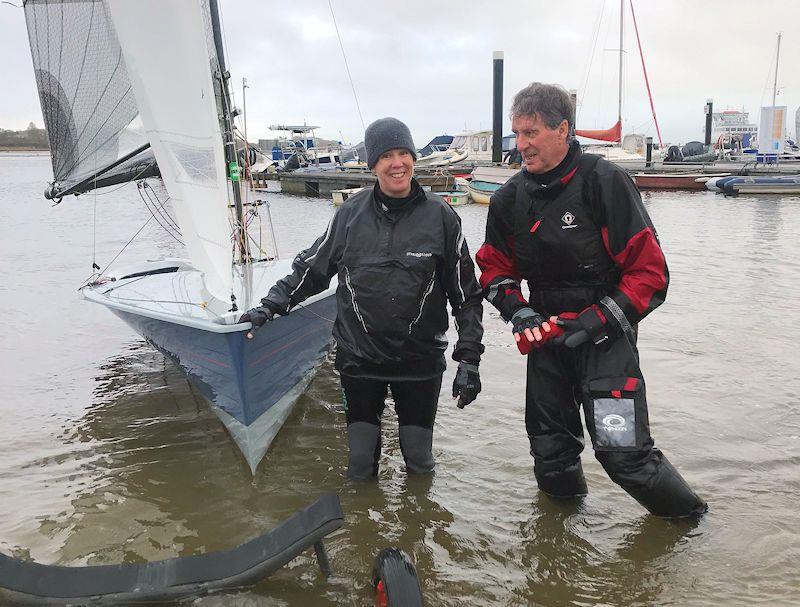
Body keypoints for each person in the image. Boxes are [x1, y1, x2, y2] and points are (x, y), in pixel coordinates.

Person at [476, 83, 706, 518]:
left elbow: (651, 274)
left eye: (531, 133)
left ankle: (694, 527)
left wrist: (595, 321)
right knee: (550, 456)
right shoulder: (508, 200)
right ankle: (560, 554)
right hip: (545, 341)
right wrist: (517, 310)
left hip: (606, 339)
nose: (520, 145)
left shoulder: (604, 183)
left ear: (563, 130)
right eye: (517, 134)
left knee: (625, 458)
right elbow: (492, 268)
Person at [240, 117, 484, 480]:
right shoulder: (349, 215)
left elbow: (466, 295)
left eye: (404, 153)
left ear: (415, 159)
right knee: (359, 466)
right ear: (373, 165)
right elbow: (311, 270)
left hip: (419, 363)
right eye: (387, 155)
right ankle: (362, 532)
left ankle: (417, 533)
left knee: (419, 462)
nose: (397, 163)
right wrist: (270, 306)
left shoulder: (443, 218)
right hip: (360, 361)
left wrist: (469, 360)